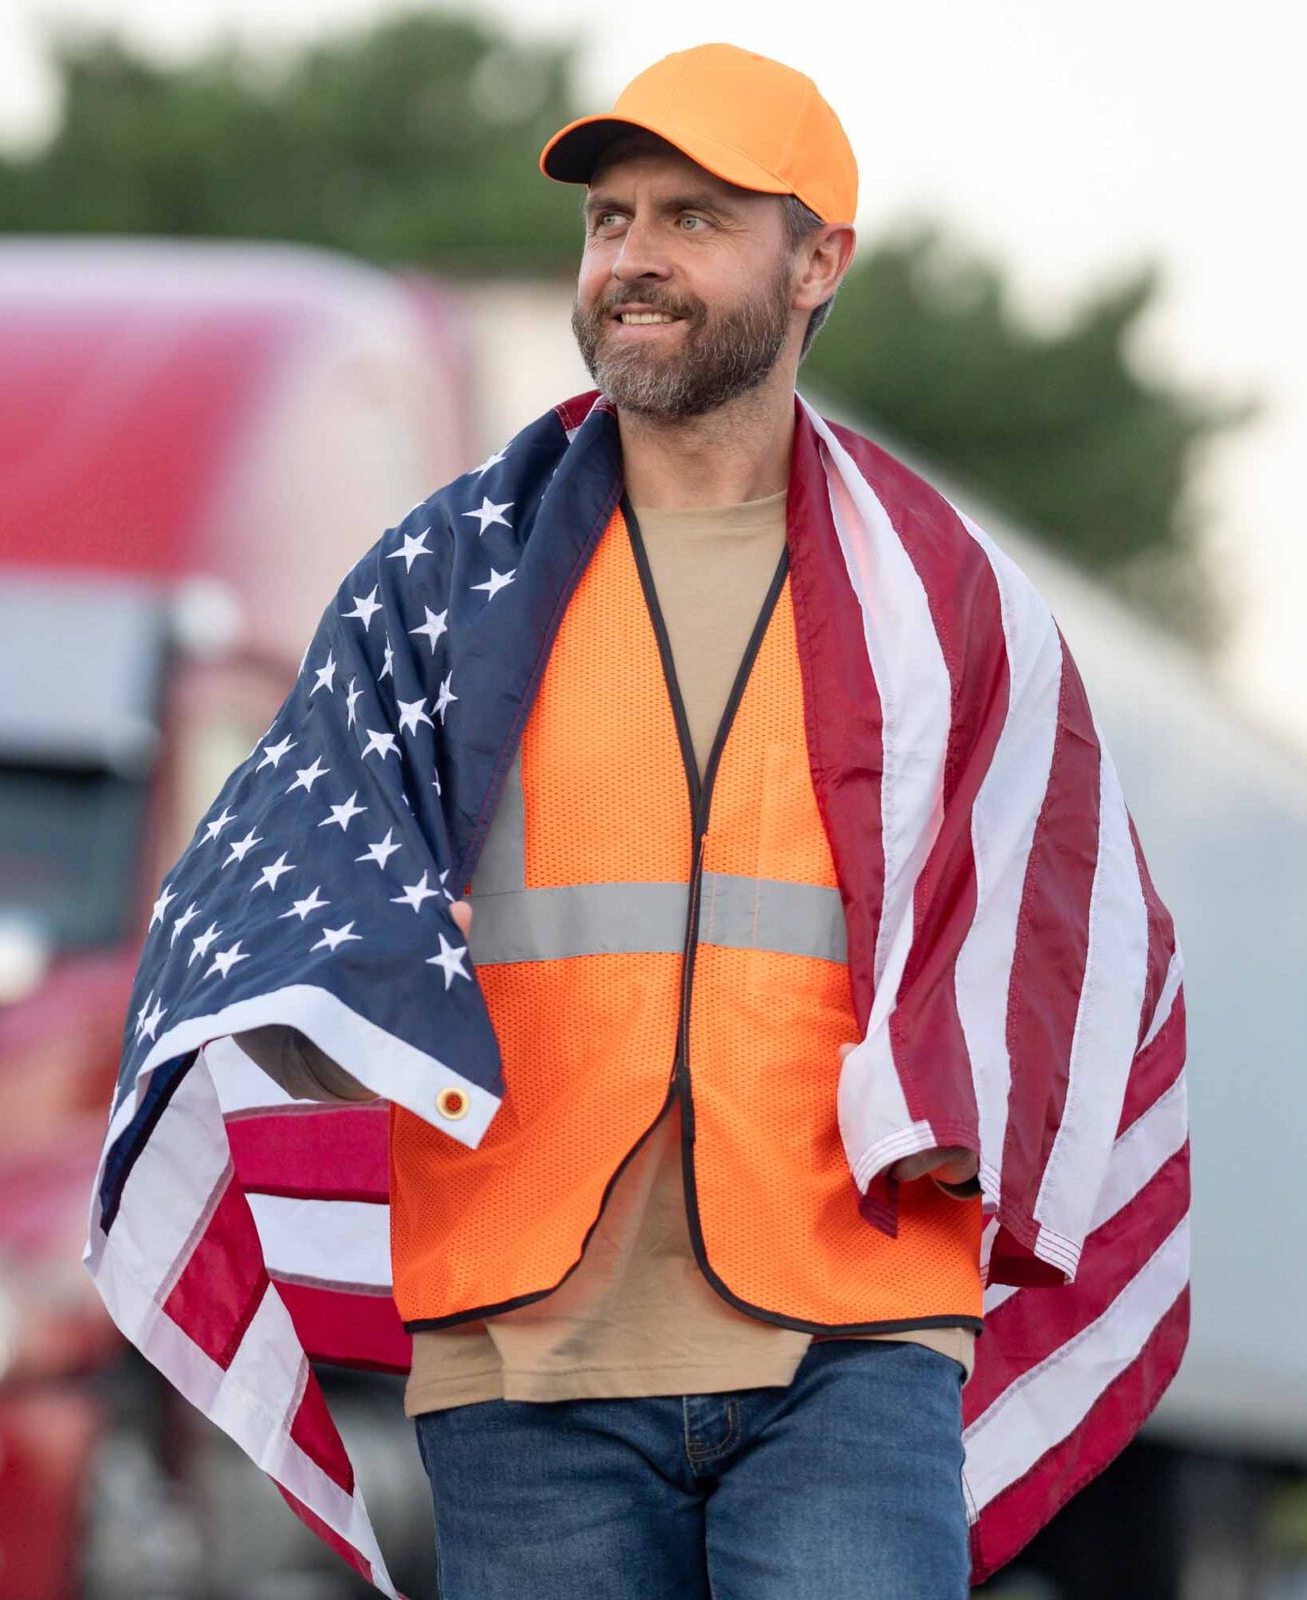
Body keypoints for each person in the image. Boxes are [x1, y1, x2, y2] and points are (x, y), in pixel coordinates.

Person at [231, 42, 983, 1599]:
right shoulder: (440, 593)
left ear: (817, 260)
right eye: (611, 219)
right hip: (525, 1366)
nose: (631, 257)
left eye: (693, 218)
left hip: (848, 1333)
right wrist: (356, 1003)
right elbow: (280, 965)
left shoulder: (934, 597)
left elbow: (1038, 959)